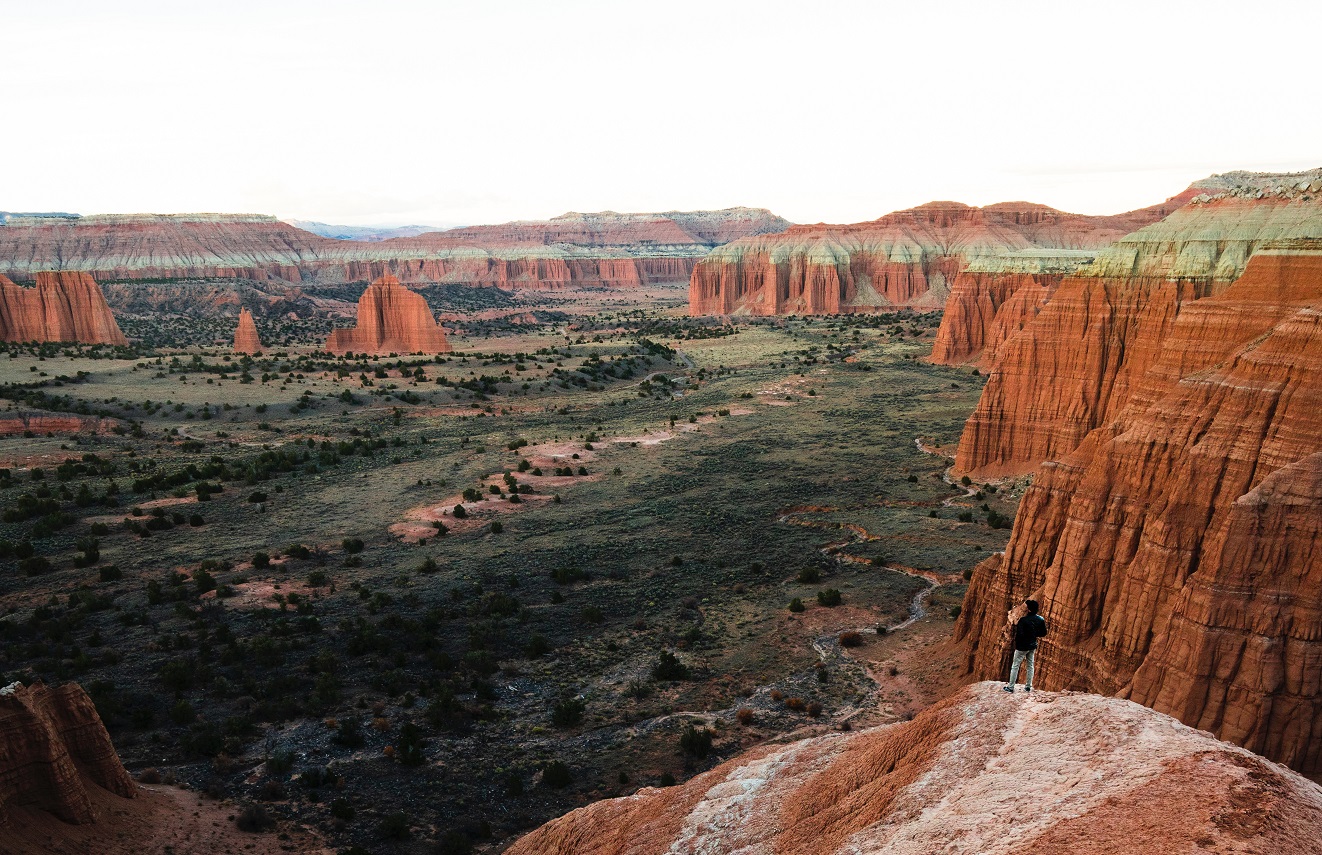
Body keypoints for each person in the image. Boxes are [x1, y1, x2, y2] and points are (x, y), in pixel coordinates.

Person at [1004, 599, 1047, 693]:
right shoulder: (1040, 619)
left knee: (1015, 665)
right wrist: (1034, 634)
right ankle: (1028, 687)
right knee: (1030, 665)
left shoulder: (1023, 620)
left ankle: (1011, 687)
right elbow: (1044, 633)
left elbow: (1019, 634)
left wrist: (1018, 645)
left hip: (1022, 646)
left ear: (1029, 610)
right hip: (1032, 645)